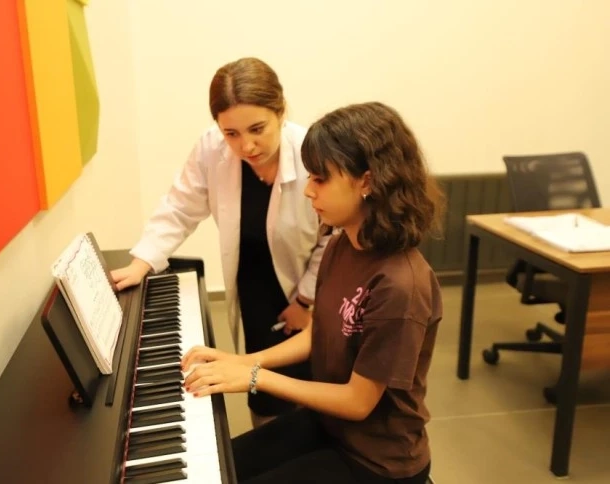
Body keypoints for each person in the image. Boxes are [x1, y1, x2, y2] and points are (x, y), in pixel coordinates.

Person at [181, 102, 445, 483]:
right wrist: (243, 361)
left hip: (376, 461)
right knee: (217, 468)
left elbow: (358, 401)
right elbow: (318, 331)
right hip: (329, 425)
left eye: (320, 179)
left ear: (367, 182)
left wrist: (255, 376)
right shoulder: (340, 245)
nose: (307, 190)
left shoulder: (401, 285)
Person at [111, 57, 328, 427]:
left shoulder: (311, 152)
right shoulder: (211, 149)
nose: (247, 146)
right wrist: (141, 262)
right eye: (231, 133)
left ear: (280, 111)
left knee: (311, 380)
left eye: (257, 129)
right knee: (263, 388)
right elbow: (179, 207)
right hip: (253, 282)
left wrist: (306, 300)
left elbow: (332, 238)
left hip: (310, 283)